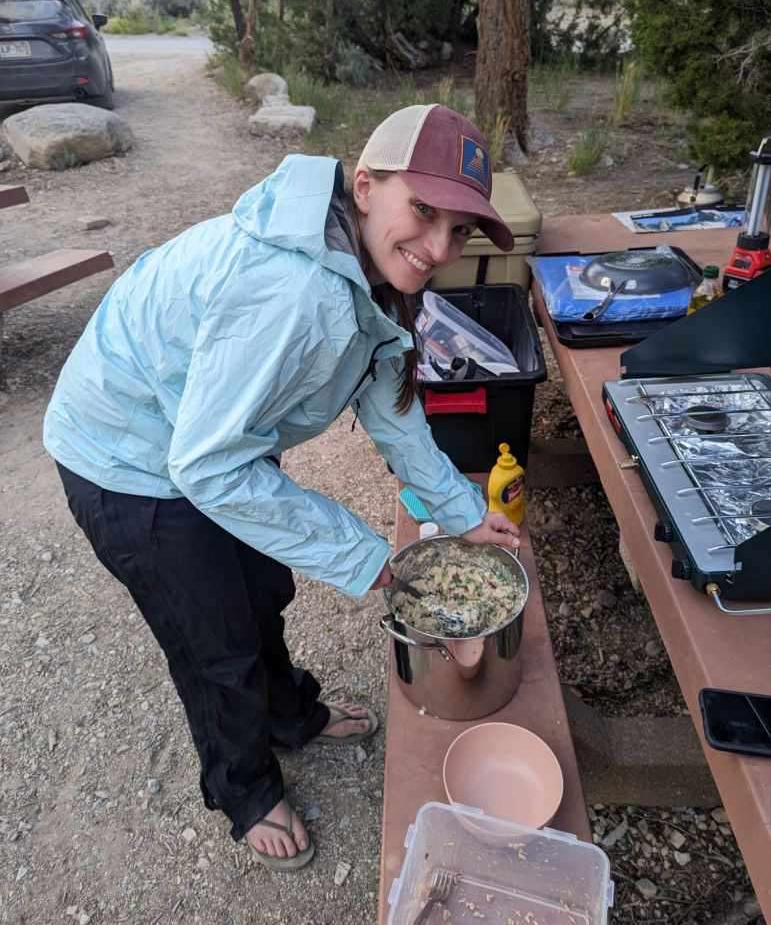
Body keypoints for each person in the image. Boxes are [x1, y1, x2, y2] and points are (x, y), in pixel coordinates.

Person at [43, 104, 521, 871]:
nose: (438, 246)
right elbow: (205, 466)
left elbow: (393, 415)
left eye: (459, 229)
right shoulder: (296, 291)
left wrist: (463, 516)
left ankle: (290, 714)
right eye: (423, 210)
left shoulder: (361, 264)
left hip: (200, 437)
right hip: (125, 455)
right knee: (215, 641)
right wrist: (373, 558)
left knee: (261, 584)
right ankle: (245, 789)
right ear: (364, 186)